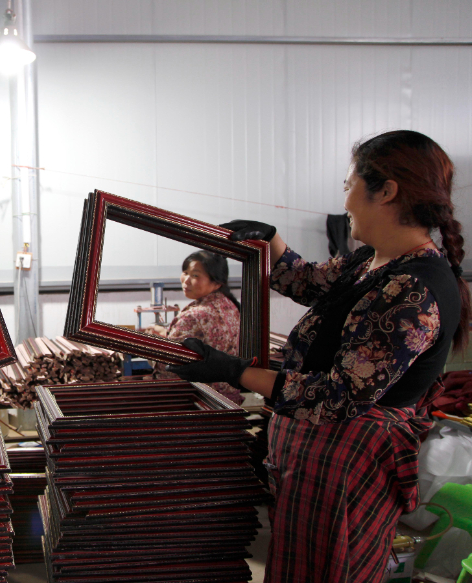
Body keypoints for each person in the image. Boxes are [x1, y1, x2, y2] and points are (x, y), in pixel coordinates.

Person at [168, 130, 469, 582]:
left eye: (349, 186)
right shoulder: (371, 261)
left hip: (350, 464)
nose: (345, 201)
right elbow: (308, 281)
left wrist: (234, 370)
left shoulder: (413, 289)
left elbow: (337, 395)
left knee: (333, 569)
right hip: (318, 458)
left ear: (386, 191)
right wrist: (270, 239)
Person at [155, 250, 243, 405]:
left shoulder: (193, 316)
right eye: (185, 272)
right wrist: (167, 333)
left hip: (198, 402)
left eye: (195, 275)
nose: (186, 280)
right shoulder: (229, 306)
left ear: (217, 282)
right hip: (229, 399)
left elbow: (168, 369)